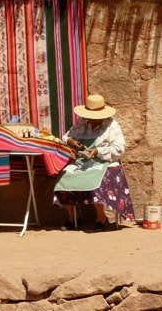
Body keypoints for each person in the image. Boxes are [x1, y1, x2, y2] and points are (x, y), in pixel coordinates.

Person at [53, 94, 135, 231]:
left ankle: (101, 219)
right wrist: (71, 141)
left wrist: (98, 151)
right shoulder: (82, 123)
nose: (91, 119)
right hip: (83, 163)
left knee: (97, 184)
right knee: (63, 179)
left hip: (105, 163)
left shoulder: (111, 125)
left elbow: (119, 149)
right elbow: (65, 136)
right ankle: (73, 217)